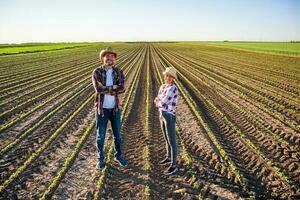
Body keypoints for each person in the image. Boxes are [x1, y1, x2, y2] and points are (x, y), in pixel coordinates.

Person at [92, 47, 128, 170]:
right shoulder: (96, 72)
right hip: (101, 109)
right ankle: (100, 159)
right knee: (100, 136)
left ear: (115, 59)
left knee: (117, 135)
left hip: (115, 108)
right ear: (102, 58)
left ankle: (118, 156)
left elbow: (122, 88)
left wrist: (107, 88)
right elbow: (98, 89)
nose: (109, 58)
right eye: (107, 56)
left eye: (112, 56)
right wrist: (114, 87)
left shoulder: (118, 71)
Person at [154, 67, 179, 175]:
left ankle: (173, 166)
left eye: (170, 76)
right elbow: (156, 99)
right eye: (166, 75)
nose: (168, 78)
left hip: (169, 115)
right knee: (166, 138)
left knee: (172, 140)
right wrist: (158, 101)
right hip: (162, 114)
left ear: (173, 78)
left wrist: (158, 101)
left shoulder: (173, 88)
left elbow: (162, 102)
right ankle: (168, 158)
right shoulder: (163, 86)